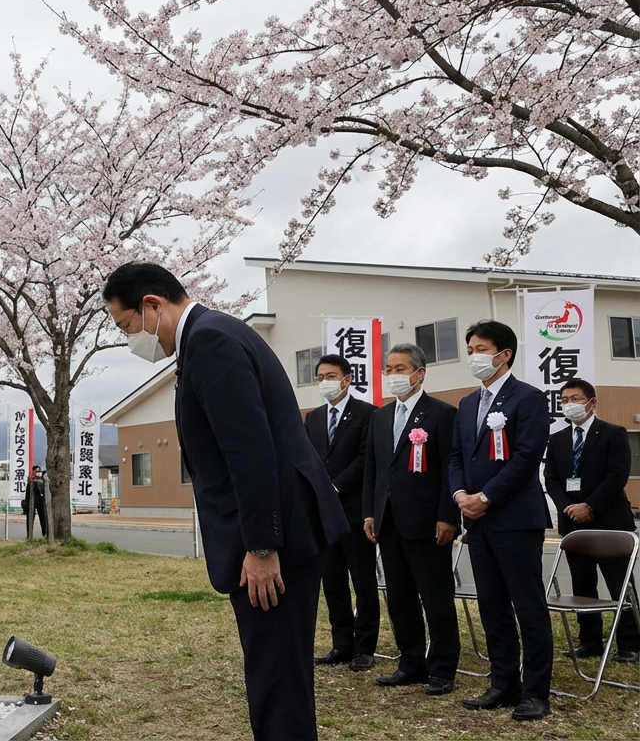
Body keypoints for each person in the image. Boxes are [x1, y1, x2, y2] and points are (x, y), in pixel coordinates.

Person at [104, 261, 347, 741]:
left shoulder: (210, 341)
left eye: (126, 325)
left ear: (152, 304)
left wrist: (260, 548)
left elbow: (250, 451)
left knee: (276, 677)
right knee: (280, 674)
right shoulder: (213, 335)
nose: (130, 338)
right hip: (284, 528)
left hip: (274, 542)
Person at [447, 320, 552, 721]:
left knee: (528, 607)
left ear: (504, 354)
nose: (474, 355)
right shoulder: (468, 403)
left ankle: (535, 692)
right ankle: (502, 683)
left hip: (514, 518)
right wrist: (460, 496)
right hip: (477, 521)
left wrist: (487, 497)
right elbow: (457, 456)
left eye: (481, 347)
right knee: (492, 605)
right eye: (470, 347)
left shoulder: (528, 398)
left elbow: (526, 457)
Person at [362, 344, 460, 696]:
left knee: (435, 597)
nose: (393, 375)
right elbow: (373, 470)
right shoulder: (380, 416)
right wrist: (369, 512)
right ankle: (411, 662)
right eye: (388, 369)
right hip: (388, 521)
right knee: (399, 597)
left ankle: (443, 668)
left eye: (400, 368)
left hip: (428, 522)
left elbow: (451, 468)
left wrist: (448, 515)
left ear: (419, 373)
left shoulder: (442, 414)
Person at [542, 378, 639, 663]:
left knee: (620, 585)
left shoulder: (613, 433)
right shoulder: (557, 439)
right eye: (564, 400)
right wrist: (568, 508)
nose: (569, 405)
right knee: (583, 584)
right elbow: (551, 479)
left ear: (592, 402)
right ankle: (590, 641)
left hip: (609, 522)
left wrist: (590, 506)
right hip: (574, 525)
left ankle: (630, 643)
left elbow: (616, 476)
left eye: (575, 398)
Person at [304, 354, 378, 672]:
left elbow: (365, 459)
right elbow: (309, 458)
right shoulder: (314, 418)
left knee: (362, 582)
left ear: (347, 380)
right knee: (332, 582)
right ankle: (341, 645)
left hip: (355, 511)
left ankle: (365, 648)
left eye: (330, 376)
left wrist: (333, 486)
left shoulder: (367, 414)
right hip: (324, 516)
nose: (325, 382)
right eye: (320, 377)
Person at [26, 466, 49, 539]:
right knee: (30, 519)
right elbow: (27, 494)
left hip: (41, 502)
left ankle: (45, 534)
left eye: (39, 471)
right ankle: (29, 536)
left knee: (43, 519)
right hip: (32, 502)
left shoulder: (43, 481)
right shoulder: (31, 482)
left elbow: (44, 492)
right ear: (33, 472)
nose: (38, 473)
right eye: (36, 471)